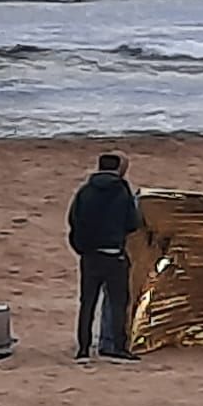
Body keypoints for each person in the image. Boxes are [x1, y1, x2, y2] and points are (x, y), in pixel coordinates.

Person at [68, 151, 141, 360]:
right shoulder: (122, 191)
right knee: (118, 302)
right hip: (114, 254)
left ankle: (83, 348)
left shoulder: (85, 191)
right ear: (118, 168)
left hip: (90, 256)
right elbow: (132, 223)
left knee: (87, 303)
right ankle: (118, 347)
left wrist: (81, 247)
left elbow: (74, 219)